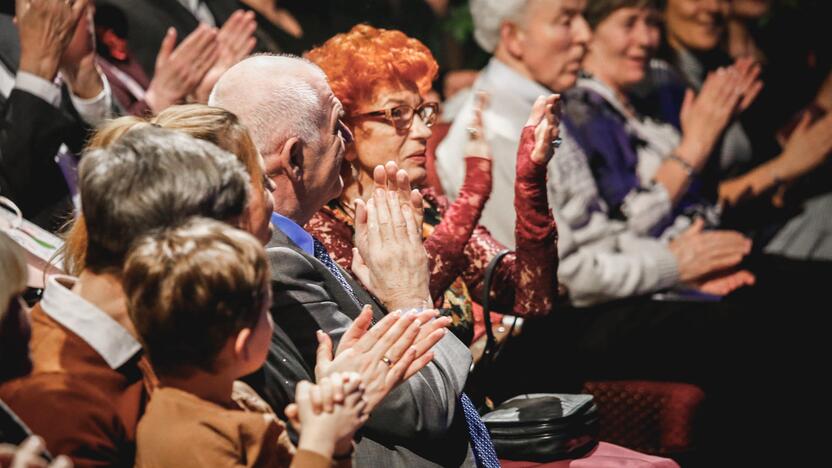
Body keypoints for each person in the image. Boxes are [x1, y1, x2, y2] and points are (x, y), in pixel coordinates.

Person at [57, 103, 452, 464]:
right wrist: (321, 437)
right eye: (261, 181)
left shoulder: (190, 339)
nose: (271, 198)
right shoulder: (85, 390)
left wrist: (329, 408)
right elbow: (419, 412)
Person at [210, 54, 497, 467]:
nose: (347, 137)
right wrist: (410, 297)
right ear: (293, 158)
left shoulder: (299, 243)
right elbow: (423, 408)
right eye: (337, 123)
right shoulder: (273, 262)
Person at [0, 126, 252, 466]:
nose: (240, 271)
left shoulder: (156, 341)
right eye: (225, 252)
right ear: (160, 257)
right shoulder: (54, 401)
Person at [304, 24, 559, 346]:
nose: (424, 132)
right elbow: (382, 328)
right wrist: (472, 197)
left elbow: (534, 299)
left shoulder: (429, 208)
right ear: (345, 130)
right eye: (398, 113)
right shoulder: (320, 226)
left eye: (422, 112)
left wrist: (530, 182)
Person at [125, 218, 366, 467]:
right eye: (266, 313)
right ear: (243, 343)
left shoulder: (237, 397)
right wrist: (319, 441)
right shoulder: (186, 440)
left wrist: (335, 443)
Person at [1, 0, 114, 230]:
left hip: (106, 214)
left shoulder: (12, 29)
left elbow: (71, 145)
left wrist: (82, 76)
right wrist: (38, 70)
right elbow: (7, 198)